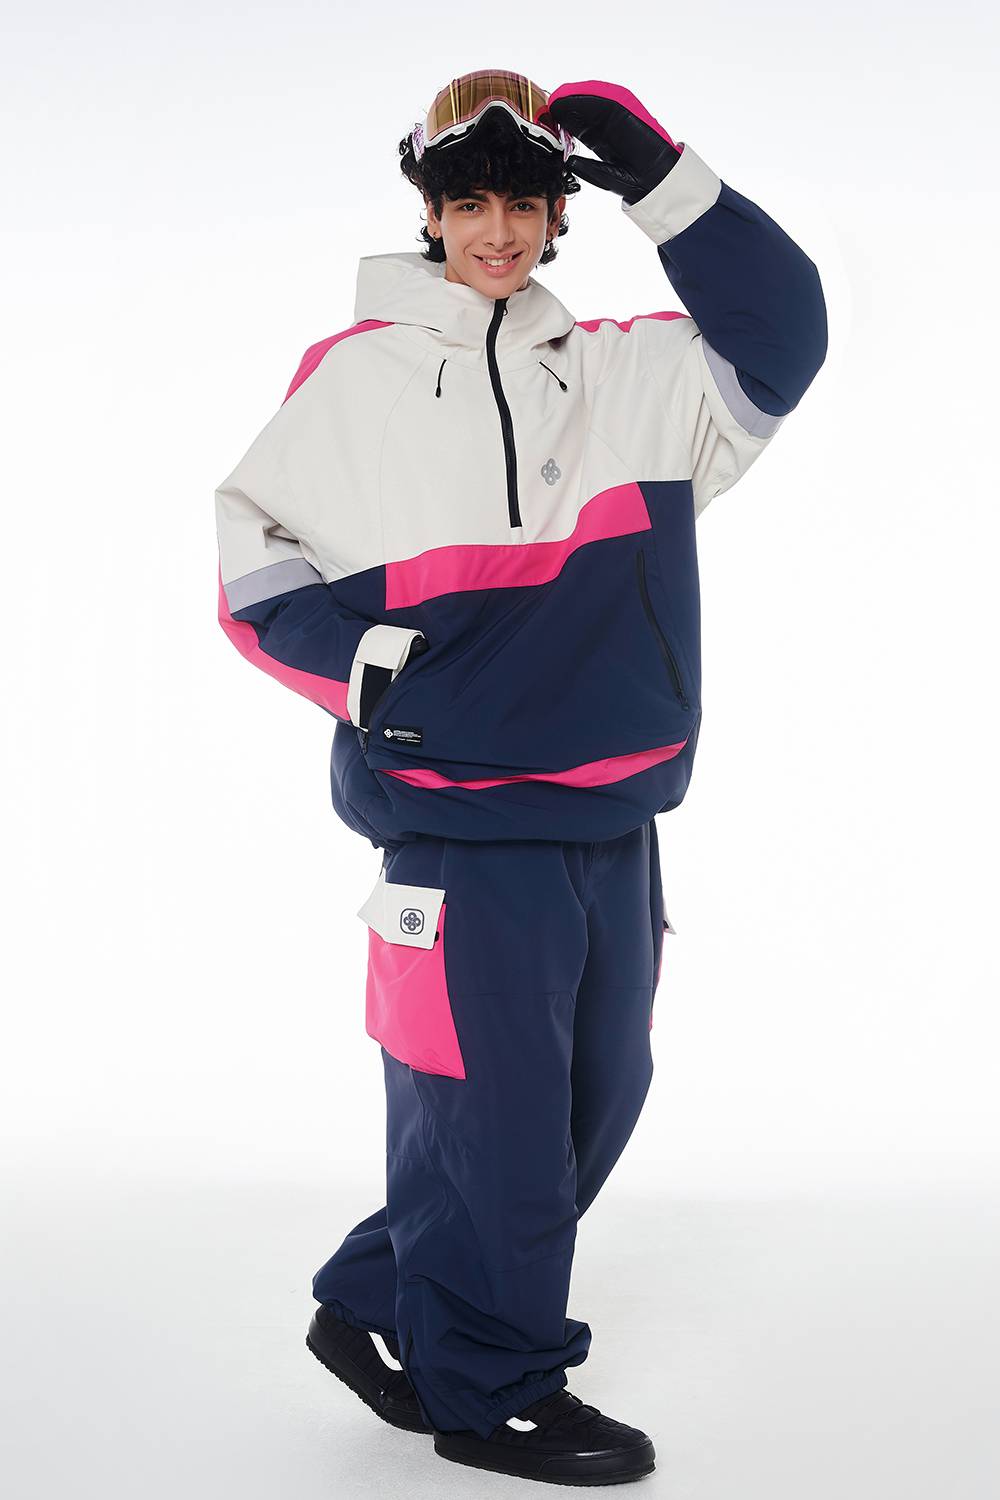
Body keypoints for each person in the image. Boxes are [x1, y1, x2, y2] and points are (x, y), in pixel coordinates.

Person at [214, 69, 828, 1486]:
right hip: (457, 833)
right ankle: (489, 1387)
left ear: (560, 216)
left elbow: (784, 335)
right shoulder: (354, 379)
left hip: (614, 808)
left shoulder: (630, 377)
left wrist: (661, 174)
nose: (497, 229)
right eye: (469, 201)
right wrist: (381, 677)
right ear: (429, 213)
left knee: (593, 1098)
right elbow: (252, 560)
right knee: (493, 1124)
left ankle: (384, 1295)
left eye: (525, 202)